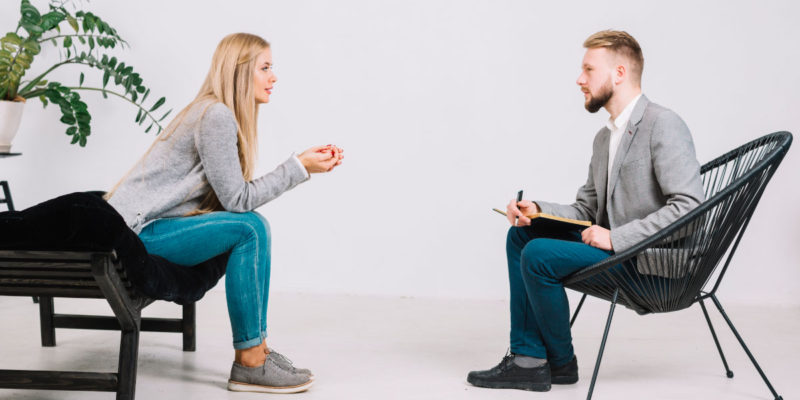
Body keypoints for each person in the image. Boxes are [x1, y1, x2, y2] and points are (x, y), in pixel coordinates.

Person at [466, 30, 705, 392]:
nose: (580, 79)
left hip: (653, 266)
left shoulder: (663, 124)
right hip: (620, 254)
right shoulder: (604, 138)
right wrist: (538, 209)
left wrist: (616, 237)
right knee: (522, 236)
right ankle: (528, 360)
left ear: (619, 73)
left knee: (539, 254)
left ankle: (561, 364)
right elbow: (587, 209)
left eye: (589, 69)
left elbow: (689, 209)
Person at [105, 33, 343, 394]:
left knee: (250, 227)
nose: (273, 77)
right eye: (264, 68)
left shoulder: (216, 112)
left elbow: (228, 199)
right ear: (239, 72)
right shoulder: (215, 114)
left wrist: (303, 165)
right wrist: (300, 167)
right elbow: (237, 200)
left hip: (154, 228)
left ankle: (257, 350)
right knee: (250, 228)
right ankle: (250, 360)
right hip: (139, 235)